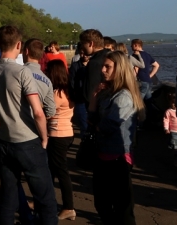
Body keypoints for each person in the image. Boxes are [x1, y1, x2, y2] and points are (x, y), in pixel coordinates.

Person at [0, 25, 57, 225]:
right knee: (45, 198)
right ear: (19, 45)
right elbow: (38, 112)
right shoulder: (22, 73)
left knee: (8, 197)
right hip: (28, 140)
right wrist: (45, 138)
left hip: (4, 141)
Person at [89, 51, 145, 225]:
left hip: (117, 157)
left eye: (108, 67)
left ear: (119, 69)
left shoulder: (123, 97)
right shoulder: (108, 92)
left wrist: (96, 126)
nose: (103, 70)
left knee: (122, 207)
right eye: (103, 66)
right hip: (103, 153)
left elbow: (107, 126)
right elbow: (92, 117)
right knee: (102, 203)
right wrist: (95, 95)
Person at [46, 60, 77, 221]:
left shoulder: (57, 94)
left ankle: (68, 207)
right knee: (53, 169)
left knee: (60, 171)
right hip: (66, 132)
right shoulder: (68, 91)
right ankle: (46, 201)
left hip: (58, 133)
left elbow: (47, 113)